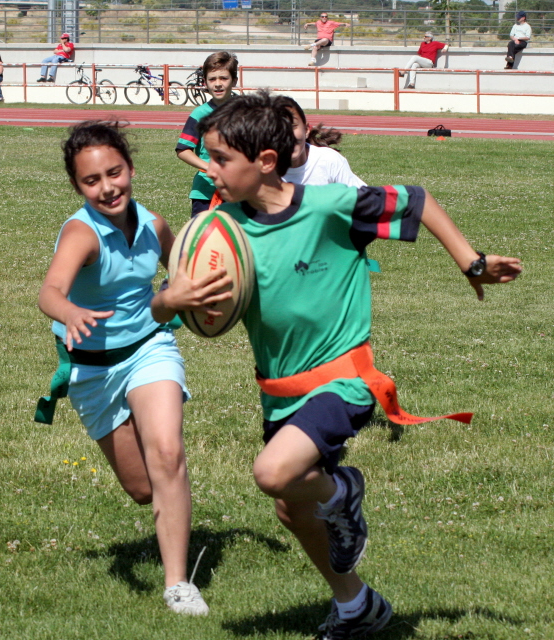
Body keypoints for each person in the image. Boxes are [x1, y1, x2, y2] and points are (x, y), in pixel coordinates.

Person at [153, 91, 522, 639]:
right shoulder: (223, 230)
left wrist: (470, 262)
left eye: (221, 159)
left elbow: (417, 201)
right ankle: (356, 605)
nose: (209, 169)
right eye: (208, 157)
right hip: (279, 391)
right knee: (291, 507)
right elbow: (179, 305)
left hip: (343, 379)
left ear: (266, 162)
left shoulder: (331, 206)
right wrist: (169, 303)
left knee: (272, 472)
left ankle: (343, 493)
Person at [36, 121, 232, 616]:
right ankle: (168, 509)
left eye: (114, 172)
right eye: (91, 180)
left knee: (167, 454)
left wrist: (211, 290)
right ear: (78, 187)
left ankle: (177, 585)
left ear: (131, 169)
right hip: (92, 371)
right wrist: (70, 313)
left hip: (150, 347)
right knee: (143, 487)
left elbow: (183, 269)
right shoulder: (83, 233)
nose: (107, 187)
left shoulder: (156, 224)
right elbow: (49, 292)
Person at [175, 51, 238, 217]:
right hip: (206, 193)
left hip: (239, 191)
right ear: (205, 82)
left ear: (234, 81)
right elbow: (183, 150)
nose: (218, 84)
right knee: (205, 240)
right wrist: (209, 168)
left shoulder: (246, 111)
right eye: (212, 79)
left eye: (224, 78)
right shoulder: (199, 114)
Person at [277, 96, 366, 188]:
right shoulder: (263, 169)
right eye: (278, 129)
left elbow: (366, 197)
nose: (287, 135)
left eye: (293, 126)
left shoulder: (329, 160)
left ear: (306, 130)